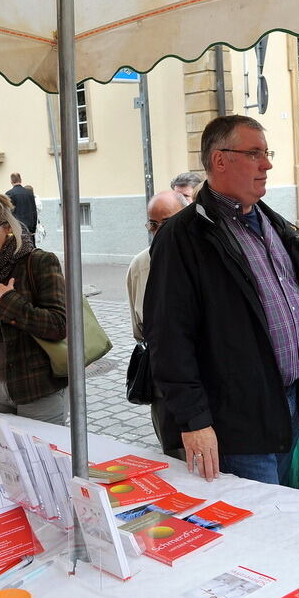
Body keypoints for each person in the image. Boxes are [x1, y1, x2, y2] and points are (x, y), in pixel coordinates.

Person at [144, 115, 299, 484]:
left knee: (281, 515)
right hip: (235, 423)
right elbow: (167, 339)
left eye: (267, 152)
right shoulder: (184, 237)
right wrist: (195, 421)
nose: (268, 163)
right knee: (259, 528)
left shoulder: (272, 223)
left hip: (286, 405)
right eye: (255, 153)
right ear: (220, 160)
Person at [0, 192, 67, 424]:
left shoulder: (39, 262)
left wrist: (9, 303)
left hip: (36, 391)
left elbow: (59, 325)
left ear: (7, 227)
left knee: (42, 460)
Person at [126, 191, 186, 457]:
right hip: (164, 379)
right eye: (153, 224)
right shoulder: (140, 264)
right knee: (175, 456)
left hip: (207, 383)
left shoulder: (205, 256)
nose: (159, 230)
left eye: (168, 222)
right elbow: (138, 328)